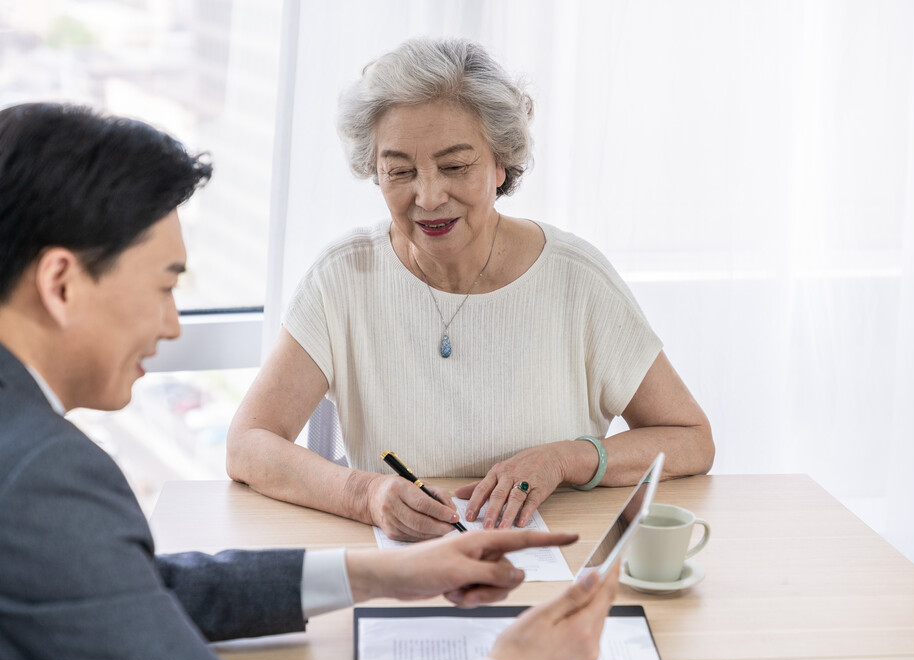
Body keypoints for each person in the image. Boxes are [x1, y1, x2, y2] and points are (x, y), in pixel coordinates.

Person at [0, 102, 618, 660]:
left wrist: (383, 573)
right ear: (61, 283)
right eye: (164, 287)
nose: (172, 326)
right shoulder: (44, 475)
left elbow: (132, 589)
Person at [227, 37, 715, 541]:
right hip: (406, 568)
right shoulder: (343, 277)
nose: (429, 195)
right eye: (399, 171)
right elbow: (248, 443)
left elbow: (691, 439)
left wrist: (567, 457)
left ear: (501, 164)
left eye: (456, 166)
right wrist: (365, 494)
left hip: (552, 562)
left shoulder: (576, 279)